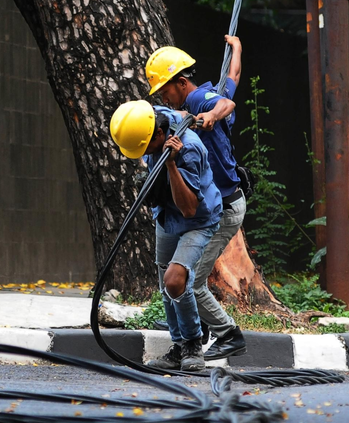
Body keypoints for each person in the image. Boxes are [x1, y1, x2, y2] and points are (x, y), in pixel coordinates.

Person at [145, 35, 247, 363]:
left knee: (189, 281)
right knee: (175, 278)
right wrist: (237, 48)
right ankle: (188, 337)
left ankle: (228, 335)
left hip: (224, 206)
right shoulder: (190, 104)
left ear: (182, 82)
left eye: (164, 90)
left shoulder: (200, 101)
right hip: (217, 201)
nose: (163, 96)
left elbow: (226, 104)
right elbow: (232, 82)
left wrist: (214, 116)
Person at [110, 100, 223, 371]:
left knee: (175, 280)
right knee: (166, 284)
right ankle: (179, 347)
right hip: (166, 216)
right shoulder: (155, 120)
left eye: (145, 147)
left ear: (159, 136)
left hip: (196, 219)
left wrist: (171, 165)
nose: (143, 154)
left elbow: (188, 208)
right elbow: (177, 113)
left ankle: (194, 343)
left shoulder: (190, 149)